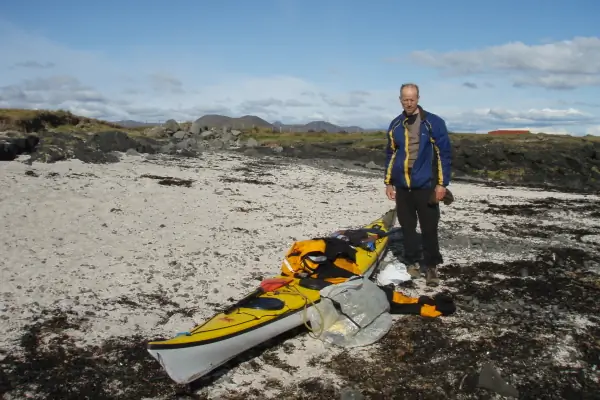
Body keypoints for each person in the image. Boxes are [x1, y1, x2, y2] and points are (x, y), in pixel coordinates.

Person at [383, 83, 452, 287]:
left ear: (418, 98)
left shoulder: (434, 122)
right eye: (405, 99)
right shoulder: (395, 124)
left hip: (426, 185)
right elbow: (391, 154)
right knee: (407, 227)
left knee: (429, 227)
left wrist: (441, 184)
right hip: (403, 185)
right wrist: (388, 182)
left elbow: (443, 154)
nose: (409, 102)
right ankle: (412, 261)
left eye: (412, 99)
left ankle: (431, 266)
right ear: (400, 100)